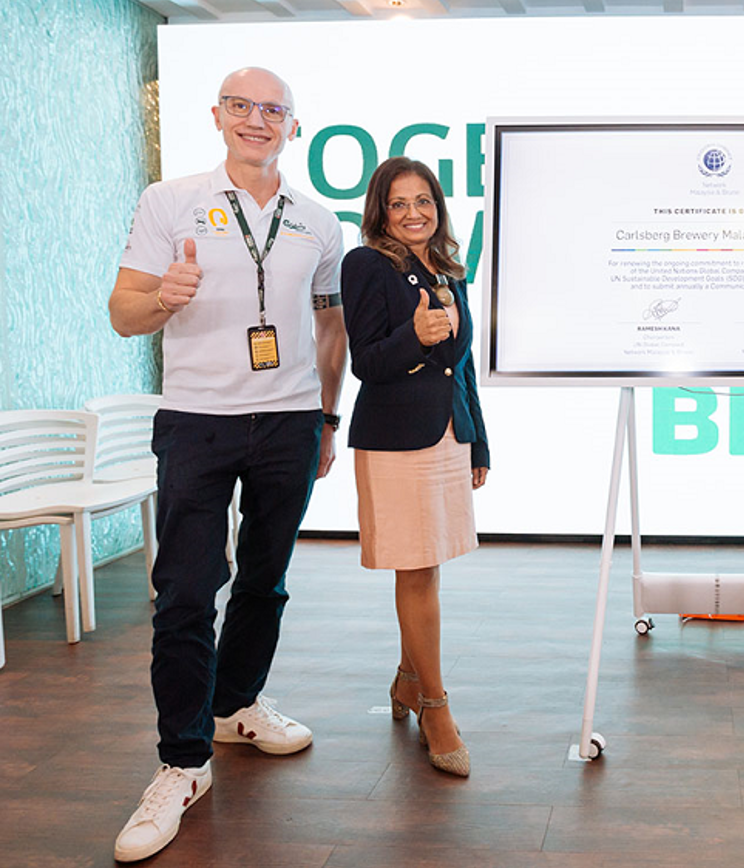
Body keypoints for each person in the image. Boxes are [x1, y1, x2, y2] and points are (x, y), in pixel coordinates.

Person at [107, 67, 346, 860]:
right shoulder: (169, 202)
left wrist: (326, 415)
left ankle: (235, 704)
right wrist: (166, 296)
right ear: (217, 117)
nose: (258, 120)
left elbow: (329, 324)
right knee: (183, 590)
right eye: (242, 107)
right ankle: (181, 760)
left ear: (292, 125)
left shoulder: (317, 221)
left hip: (286, 422)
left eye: (273, 109)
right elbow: (122, 313)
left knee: (265, 580)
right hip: (197, 422)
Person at [340, 157, 489, 777]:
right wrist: (417, 337)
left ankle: (407, 678)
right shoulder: (365, 265)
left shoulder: (447, 269)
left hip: (447, 435)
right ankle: (435, 705)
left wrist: (477, 439)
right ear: (380, 209)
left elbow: (465, 364)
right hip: (397, 440)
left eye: (423, 201)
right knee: (418, 570)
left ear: (438, 207)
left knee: (429, 568)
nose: (413, 214)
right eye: (398, 203)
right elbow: (366, 363)